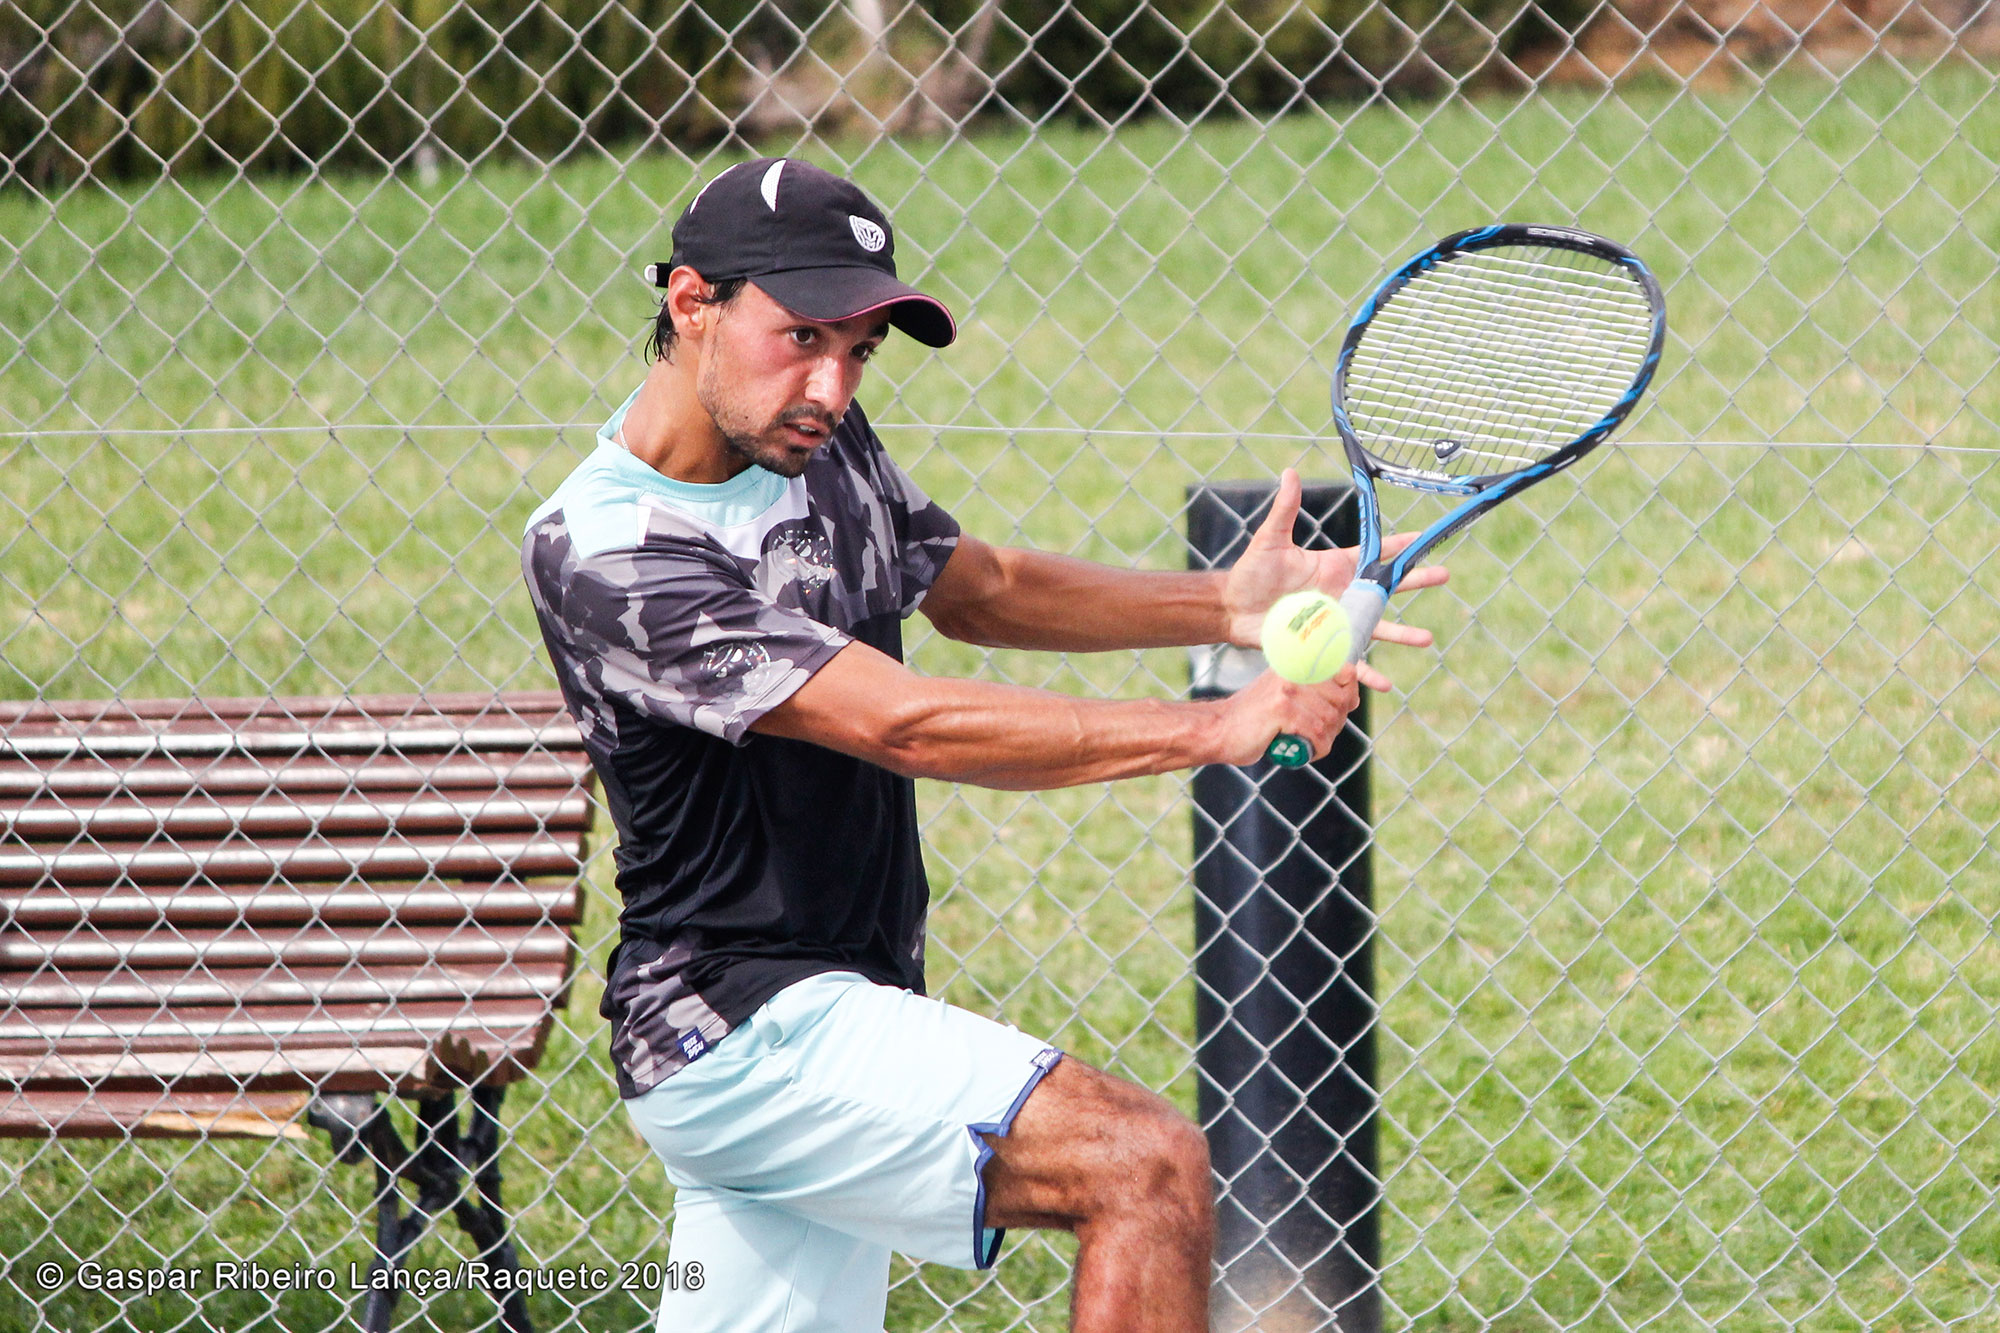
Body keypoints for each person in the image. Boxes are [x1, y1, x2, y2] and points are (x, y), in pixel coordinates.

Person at [521, 157, 1444, 1333]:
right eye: (801, 338)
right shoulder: (607, 548)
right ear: (693, 300)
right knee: (1141, 1164)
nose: (831, 384)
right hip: (737, 1023)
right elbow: (901, 720)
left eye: (859, 350)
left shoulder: (809, 438)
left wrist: (1222, 603)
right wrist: (1216, 726)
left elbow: (977, 587)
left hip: (827, 998)